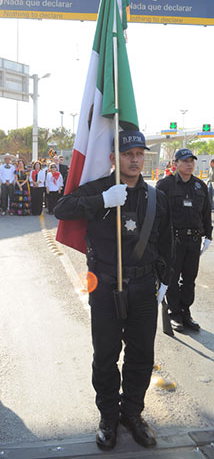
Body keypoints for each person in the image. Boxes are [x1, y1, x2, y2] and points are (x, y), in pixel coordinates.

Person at [54, 130, 173, 451]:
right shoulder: (100, 189)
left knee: (141, 355)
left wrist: (164, 281)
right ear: (113, 159)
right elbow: (61, 208)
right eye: (127, 154)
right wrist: (102, 201)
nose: (134, 159)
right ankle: (108, 415)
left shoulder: (155, 196)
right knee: (105, 355)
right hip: (105, 285)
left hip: (144, 286)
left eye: (139, 154)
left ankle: (132, 413)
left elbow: (166, 241)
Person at [156, 148, 212, 332]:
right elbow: (158, 214)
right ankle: (174, 314)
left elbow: (205, 212)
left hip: (194, 240)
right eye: (185, 161)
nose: (189, 164)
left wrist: (209, 236)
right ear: (175, 164)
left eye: (191, 161)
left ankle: (185, 312)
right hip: (174, 240)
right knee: (172, 278)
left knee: (189, 278)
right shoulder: (165, 185)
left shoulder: (200, 186)